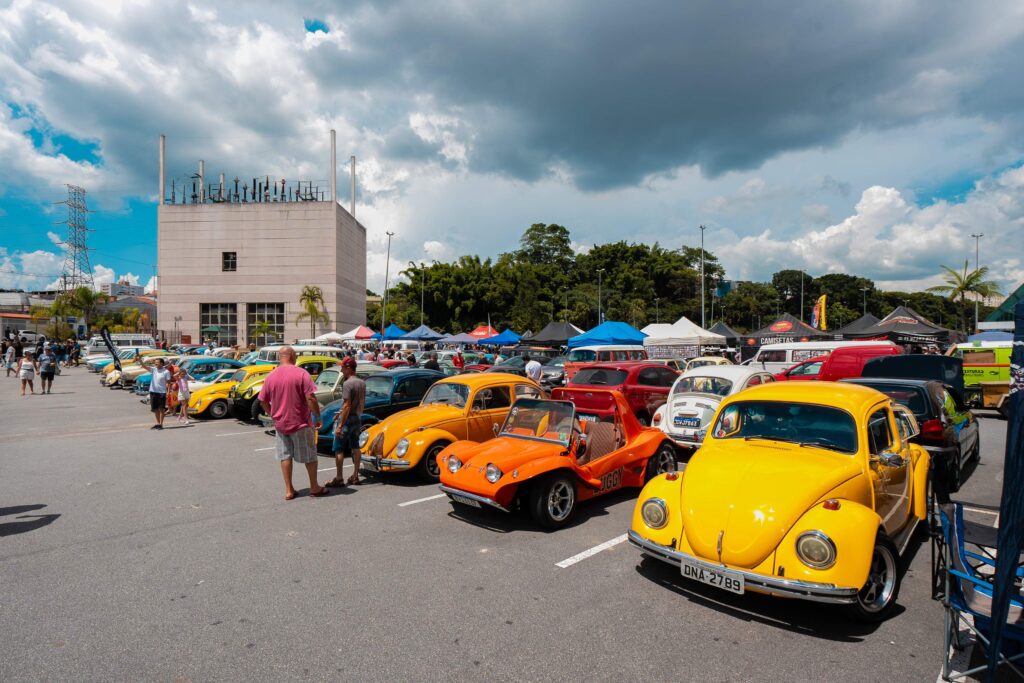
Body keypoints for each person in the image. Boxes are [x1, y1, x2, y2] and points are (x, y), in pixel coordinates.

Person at [258, 346, 328, 500]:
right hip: (300, 422)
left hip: (280, 424)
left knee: (285, 456)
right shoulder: (301, 373)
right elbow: (310, 398)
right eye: (296, 355)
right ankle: (314, 486)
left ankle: (289, 490)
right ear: (291, 355)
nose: (296, 358)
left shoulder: (271, 376)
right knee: (309, 455)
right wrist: (318, 415)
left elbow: (262, 400)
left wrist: (273, 414)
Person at [327, 356, 366, 488]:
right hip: (357, 418)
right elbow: (358, 404)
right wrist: (342, 411)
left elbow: (347, 405)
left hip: (347, 419)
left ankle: (339, 477)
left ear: (349, 368)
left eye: (343, 367)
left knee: (338, 448)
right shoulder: (362, 383)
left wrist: (340, 425)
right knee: (355, 447)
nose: (341, 370)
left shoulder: (347, 383)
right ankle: (355, 475)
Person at [149, 357, 173, 430]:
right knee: (155, 409)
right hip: (153, 391)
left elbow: (169, 383)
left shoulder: (166, 372)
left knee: (161, 409)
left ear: (162, 363)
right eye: (155, 362)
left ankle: (161, 424)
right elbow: (144, 366)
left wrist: (168, 392)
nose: (156, 364)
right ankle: (158, 423)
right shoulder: (154, 370)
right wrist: (139, 360)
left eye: (157, 362)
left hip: (161, 392)